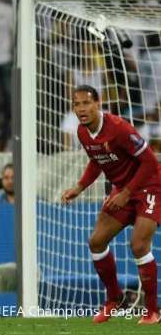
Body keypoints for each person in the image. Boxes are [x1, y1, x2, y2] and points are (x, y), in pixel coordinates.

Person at [61, 85, 161, 325]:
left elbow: (150, 162)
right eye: (76, 104)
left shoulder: (119, 128)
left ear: (98, 103)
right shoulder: (83, 133)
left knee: (138, 245)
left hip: (150, 186)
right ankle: (114, 298)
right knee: (96, 241)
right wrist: (78, 187)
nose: (81, 108)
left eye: (86, 103)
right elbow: (97, 162)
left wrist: (126, 193)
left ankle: (152, 311)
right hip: (122, 190)